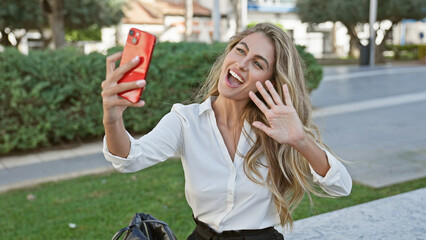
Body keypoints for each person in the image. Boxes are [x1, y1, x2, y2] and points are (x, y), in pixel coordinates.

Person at [102, 23, 352, 239]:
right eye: (240, 50)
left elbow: (341, 187)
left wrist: (300, 140)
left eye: (257, 63)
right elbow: (129, 161)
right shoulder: (185, 120)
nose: (241, 64)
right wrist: (112, 120)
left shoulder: (279, 129)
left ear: (271, 81)